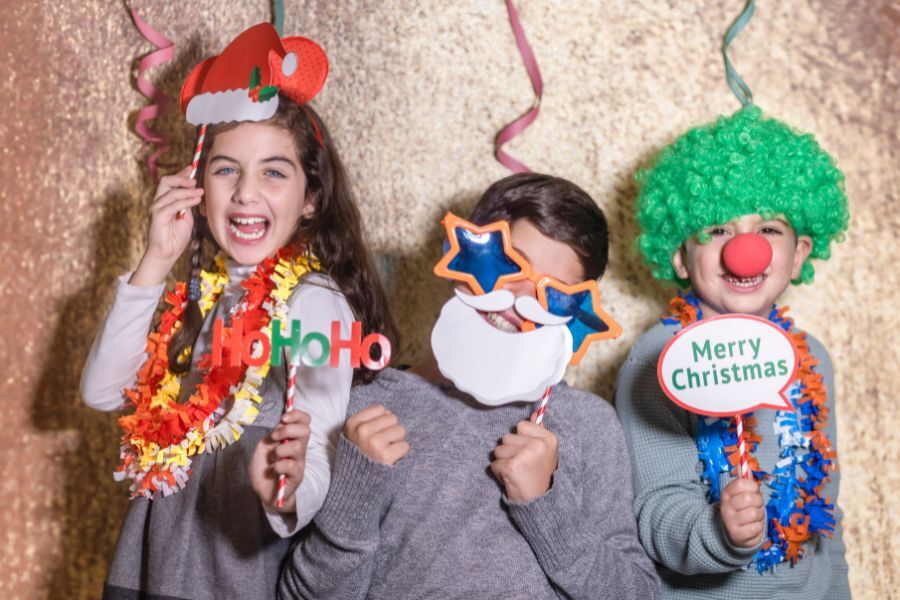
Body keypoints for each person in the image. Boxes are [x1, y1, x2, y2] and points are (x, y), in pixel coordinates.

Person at [80, 23, 393, 599]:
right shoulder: (202, 292)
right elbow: (103, 392)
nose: (247, 192)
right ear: (198, 185)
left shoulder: (313, 303)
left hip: (227, 580)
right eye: (227, 169)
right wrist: (155, 259)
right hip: (148, 567)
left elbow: (317, 451)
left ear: (312, 199)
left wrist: (287, 484)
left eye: (274, 172)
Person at [276, 173, 661, 599]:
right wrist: (355, 491)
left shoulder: (588, 426)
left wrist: (547, 504)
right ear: (463, 256)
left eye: (554, 294)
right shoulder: (362, 403)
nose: (520, 300)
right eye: (508, 266)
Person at [615, 106, 851, 599]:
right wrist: (720, 533)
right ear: (680, 255)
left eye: (768, 230)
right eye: (718, 230)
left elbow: (824, 510)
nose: (745, 249)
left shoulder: (813, 359)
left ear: (799, 253)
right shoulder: (658, 358)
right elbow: (655, 508)